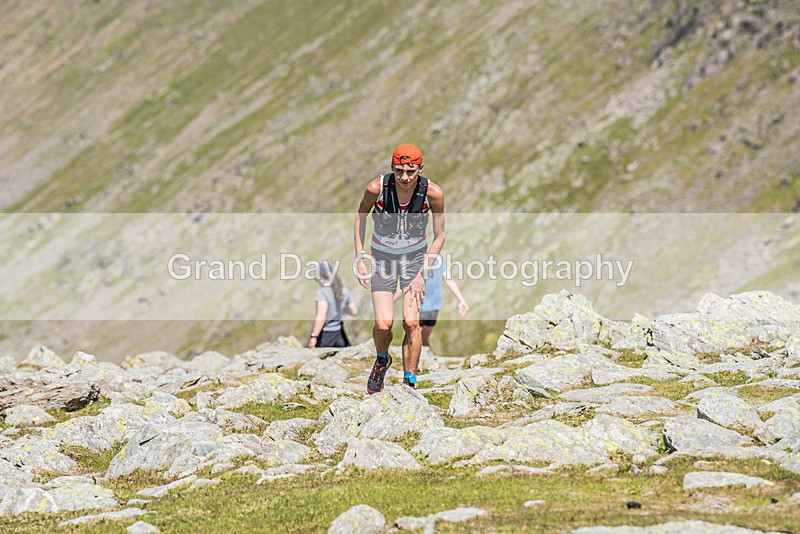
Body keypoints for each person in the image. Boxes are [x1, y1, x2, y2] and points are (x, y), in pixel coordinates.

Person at [354, 144, 445, 393]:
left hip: (415, 259)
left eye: (410, 171)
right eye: (399, 171)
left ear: (420, 169)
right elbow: (361, 215)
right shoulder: (377, 188)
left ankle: (409, 382)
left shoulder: (433, 193)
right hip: (383, 258)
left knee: (411, 322)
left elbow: (439, 236)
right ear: (392, 168)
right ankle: (382, 359)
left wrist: (420, 274)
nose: (404, 177)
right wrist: (360, 255)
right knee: (383, 325)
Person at [393, 259, 469, 351]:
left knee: (412, 340)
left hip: (418, 307)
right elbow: (449, 280)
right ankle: (429, 361)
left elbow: (404, 286)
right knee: (424, 341)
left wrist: (389, 302)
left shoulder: (414, 261)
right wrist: (461, 300)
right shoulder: (438, 261)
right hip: (433, 309)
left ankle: (416, 362)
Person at [308, 261, 358, 348]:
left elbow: (321, 316)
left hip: (325, 336)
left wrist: (314, 336)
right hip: (340, 335)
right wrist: (340, 307)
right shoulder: (344, 290)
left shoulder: (322, 293)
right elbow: (354, 312)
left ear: (321, 277)